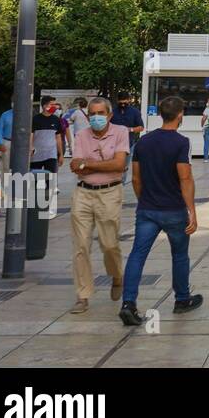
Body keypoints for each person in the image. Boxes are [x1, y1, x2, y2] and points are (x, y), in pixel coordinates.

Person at [119, 95, 202, 325]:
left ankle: (128, 303)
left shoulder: (144, 142)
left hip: (147, 208)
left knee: (137, 254)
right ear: (180, 115)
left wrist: (143, 200)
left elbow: (136, 178)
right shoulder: (181, 142)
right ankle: (182, 298)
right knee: (179, 254)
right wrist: (192, 211)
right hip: (174, 209)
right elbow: (185, 178)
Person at [67, 97, 129, 314]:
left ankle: (117, 275)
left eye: (100, 113)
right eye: (92, 113)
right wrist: (101, 165)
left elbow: (120, 164)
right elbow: (76, 166)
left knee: (109, 244)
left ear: (109, 115)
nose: (96, 118)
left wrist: (89, 164)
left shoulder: (121, 132)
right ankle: (82, 295)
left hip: (110, 192)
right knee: (81, 245)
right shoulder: (81, 134)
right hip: (83, 193)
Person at [29, 95, 65, 174]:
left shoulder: (56, 119)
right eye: (52, 104)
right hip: (36, 155)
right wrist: (30, 148)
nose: (54, 107)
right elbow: (31, 135)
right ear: (44, 106)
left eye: (55, 105)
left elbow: (58, 137)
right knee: (39, 182)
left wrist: (61, 154)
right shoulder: (35, 119)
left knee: (51, 180)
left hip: (51, 155)